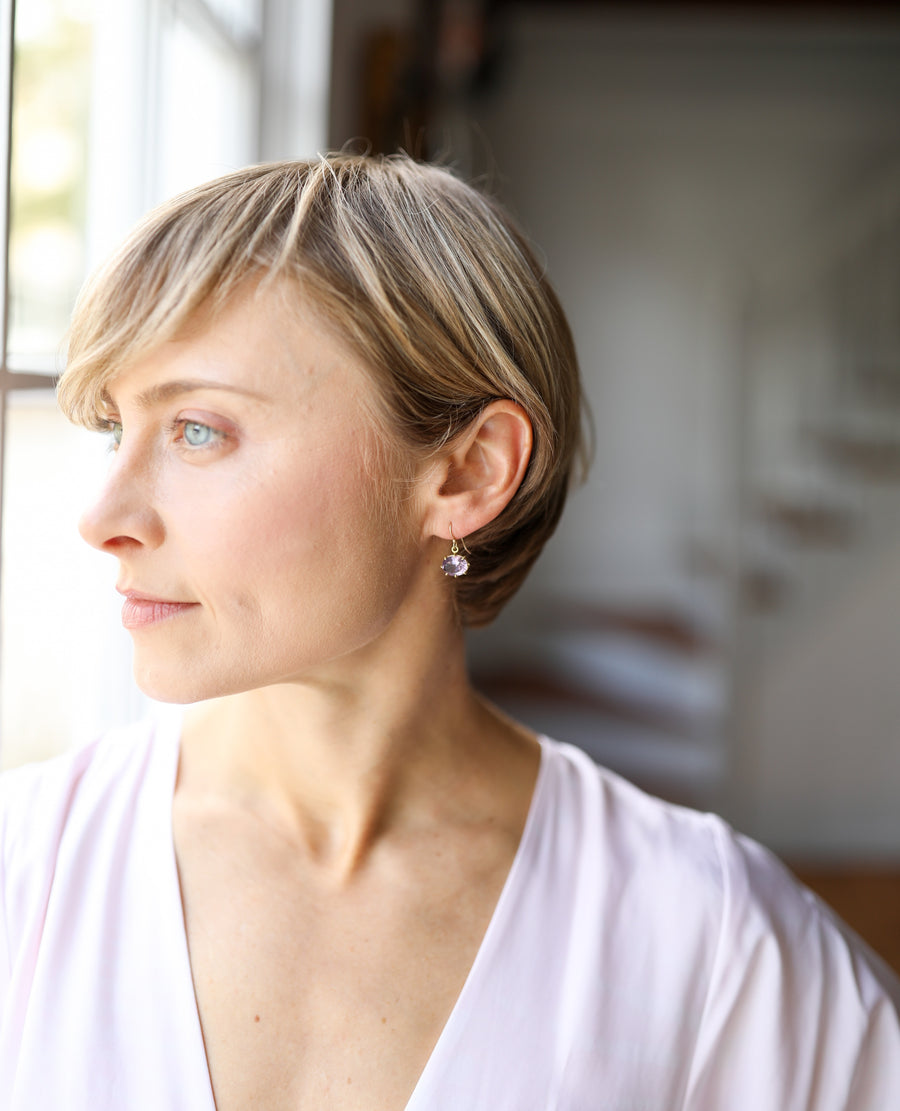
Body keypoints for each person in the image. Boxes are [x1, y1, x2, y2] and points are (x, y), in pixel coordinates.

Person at [1, 154, 898, 1111]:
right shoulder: (23, 876)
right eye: (112, 428)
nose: (103, 515)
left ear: (469, 473)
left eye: (197, 430)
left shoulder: (717, 950)